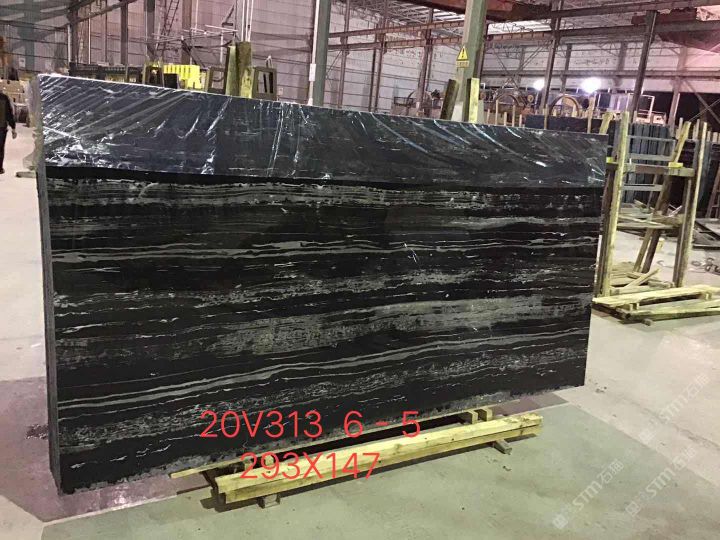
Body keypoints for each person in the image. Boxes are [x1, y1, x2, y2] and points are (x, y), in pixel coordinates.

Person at [0, 90, 17, 175]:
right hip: (1, 128)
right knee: (0, 148)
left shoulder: (4, 98)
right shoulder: (4, 98)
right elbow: (9, 114)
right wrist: (13, 128)